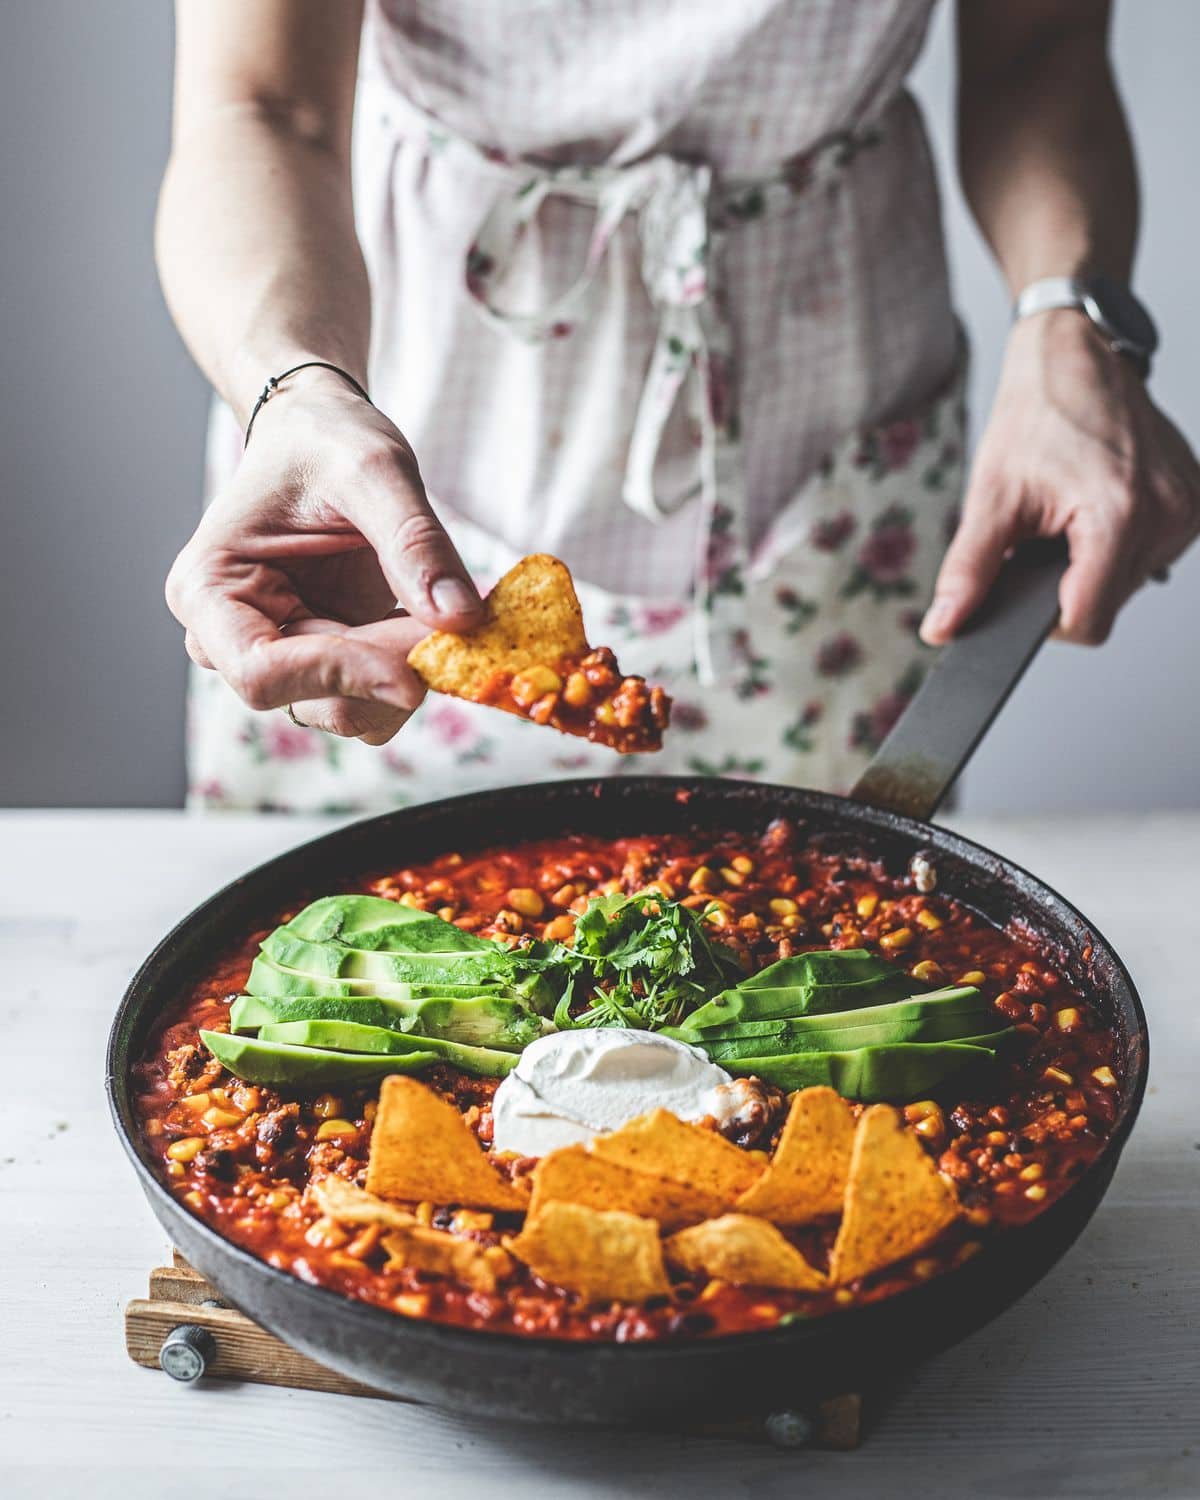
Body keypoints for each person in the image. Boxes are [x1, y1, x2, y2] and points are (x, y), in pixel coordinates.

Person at [160, 0, 1199, 814]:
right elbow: (258, 103)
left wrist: (1071, 315)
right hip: (391, 418)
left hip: (838, 425)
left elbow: (1043, 48)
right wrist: (294, 387)